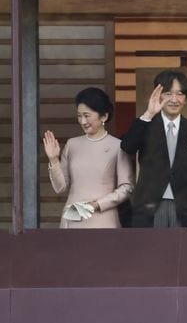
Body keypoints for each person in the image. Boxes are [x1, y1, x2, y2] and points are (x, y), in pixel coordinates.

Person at [121, 70, 187, 227]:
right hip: (150, 207)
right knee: (152, 244)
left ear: (186, 99)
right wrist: (148, 114)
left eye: (180, 94)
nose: (174, 99)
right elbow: (127, 147)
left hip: (183, 209)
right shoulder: (146, 125)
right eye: (168, 94)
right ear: (159, 96)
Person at [42, 87, 134, 228]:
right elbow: (60, 187)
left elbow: (127, 187)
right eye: (79, 116)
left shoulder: (118, 146)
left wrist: (97, 204)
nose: (82, 121)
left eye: (87, 115)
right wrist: (53, 159)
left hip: (104, 220)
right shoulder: (72, 144)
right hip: (73, 220)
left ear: (104, 116)